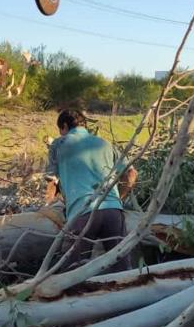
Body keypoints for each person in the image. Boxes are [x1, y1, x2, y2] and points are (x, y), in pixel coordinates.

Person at [44, 109, 137, 273]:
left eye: (61, 130)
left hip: (82, 213)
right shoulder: (105, 143)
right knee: (122, 270)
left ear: (64, 126)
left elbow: (52, 182)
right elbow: (131, 173)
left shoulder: (58, 144)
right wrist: (118, 199)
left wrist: (47, 206)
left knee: (74, 273)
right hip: (113, 212)